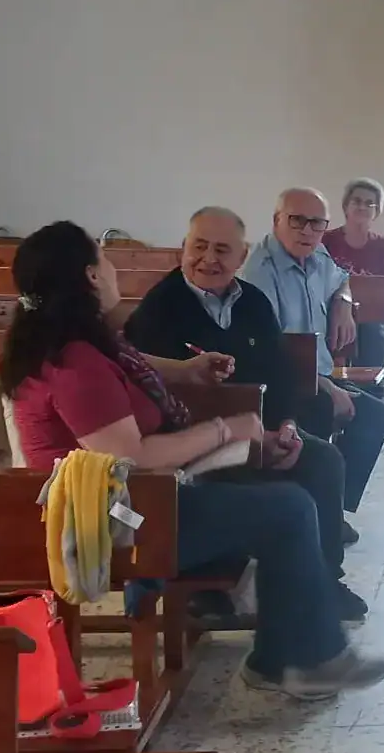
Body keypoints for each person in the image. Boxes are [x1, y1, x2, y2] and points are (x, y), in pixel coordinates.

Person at [0, 222, 384, 700]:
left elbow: (132, 364)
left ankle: (292, 648)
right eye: (103, 259)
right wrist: (225, 430)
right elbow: (131, 456)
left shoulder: (76, 342)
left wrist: (195, 381)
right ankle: (299, 658)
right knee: (287, 509)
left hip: (141, 497)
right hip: (115, 523)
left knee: (302, 473)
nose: (112, 267)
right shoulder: (74, 363)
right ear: (90, 276)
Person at [124, 206, 367, 621]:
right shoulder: (159, 308)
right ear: (183, 249)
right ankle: (207, 584)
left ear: (241, 256)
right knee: (228, 479)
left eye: (222, 250)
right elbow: (146, 393)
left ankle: (325, 580)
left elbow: (281, 373)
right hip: (192, 443)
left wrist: (287, 427)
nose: (208, 259)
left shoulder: (252, 301)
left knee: (323, 459)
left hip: (261, 430)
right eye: (199, 247)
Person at [244, 188, 384, 533]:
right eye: (297, 221)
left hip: (319, 372)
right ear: (277, 220)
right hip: (284, 382)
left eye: (317, 223)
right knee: (323, 412)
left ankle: (331, 511)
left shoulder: (317, 253)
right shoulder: (261, 271)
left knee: (376, 416)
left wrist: (343, 303)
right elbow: (275, 349)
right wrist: (328, 387)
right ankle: (316, 519)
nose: (308, 230)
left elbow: (342, 280)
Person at [322, 178, 384, 370]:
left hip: (377, 314)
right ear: (346, 206)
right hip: (333, 309)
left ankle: (372, 384)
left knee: (371, 330)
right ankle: (331, 379)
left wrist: (359, 310)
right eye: (356, 201)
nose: (362, 207)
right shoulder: (326, 241)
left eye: (369, 203)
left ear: (376, 211)